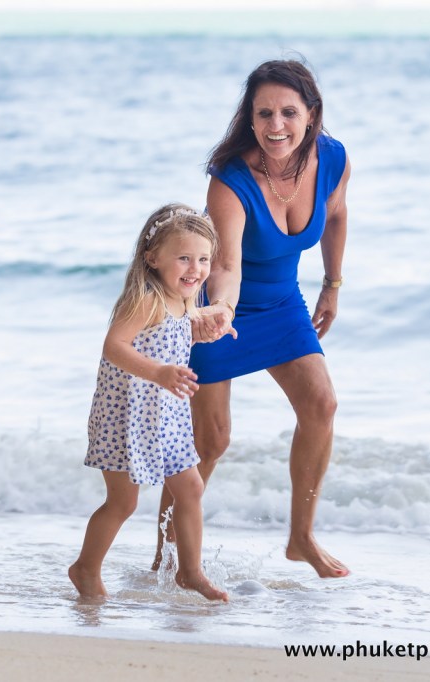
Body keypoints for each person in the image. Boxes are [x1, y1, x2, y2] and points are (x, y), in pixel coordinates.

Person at [156, 59, 352, 579]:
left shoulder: (332, 159)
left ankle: (301, 538)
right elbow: (225, 265)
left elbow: (336, 214)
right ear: (250, 117)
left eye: (288, 112)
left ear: (311, 115)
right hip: (217, 308)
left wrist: (332, 284)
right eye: (264, 113)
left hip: (283, 302)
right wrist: (219, 310)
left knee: (322, 404)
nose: (275, 125)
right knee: (210, 440)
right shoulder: (231, 180)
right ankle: (167, 556)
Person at [69, 203, 232, 602]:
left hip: (167, 415)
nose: (195, 269)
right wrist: (159, 372)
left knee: (190, 488)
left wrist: (203, 331)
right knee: (123, 502)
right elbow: (115, 346)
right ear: (153, 257)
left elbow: (172, 335)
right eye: (184, 258)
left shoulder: (184, 301)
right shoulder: (146, 300)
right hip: (127, 414)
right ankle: (85, 568)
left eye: (204, 259)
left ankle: (189, 572)